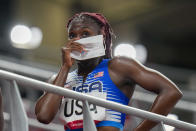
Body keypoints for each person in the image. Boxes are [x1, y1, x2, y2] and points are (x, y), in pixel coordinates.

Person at [35, 12, 182, 131]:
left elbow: (171, 92)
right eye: (72, 35)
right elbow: (44, 116)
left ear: (102, 37)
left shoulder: (118, 66)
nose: (77, 40)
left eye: (85, 34)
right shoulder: (60, 79)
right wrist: (65, 67)